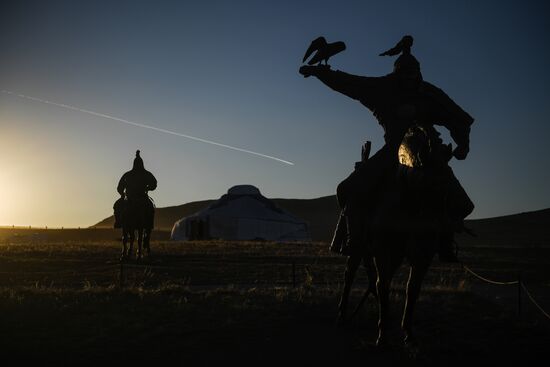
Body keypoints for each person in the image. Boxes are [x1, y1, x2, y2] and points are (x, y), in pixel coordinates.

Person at [299, 35, 474, 262]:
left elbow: (458, 118)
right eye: (406, 74)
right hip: (393, 152)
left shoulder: (429, 93)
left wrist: (463, 146)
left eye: (413, 74)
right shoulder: (383, 88)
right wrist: (320, 72)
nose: (410, 79)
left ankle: (444, 241)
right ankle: (356, 239)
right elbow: (350, 83)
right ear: (398, 73)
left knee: (459, 201)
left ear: (418, 73)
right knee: (348, 189)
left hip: (428, 153)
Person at [116, 150, 157, 257]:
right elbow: (154, 184)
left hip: (132, 199)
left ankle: (119, 222)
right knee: (150, 209)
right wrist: (149, 187)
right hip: (139, 198)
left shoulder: (128, 174)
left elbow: (119, 187)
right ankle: (148, 225)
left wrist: (122, 194)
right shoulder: (146, 174)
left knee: (118, 206)